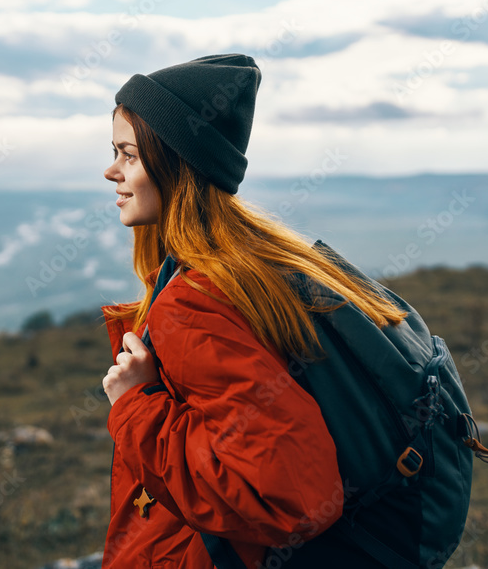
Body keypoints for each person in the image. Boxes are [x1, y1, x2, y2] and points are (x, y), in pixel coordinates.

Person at [99, 54, 408, 568]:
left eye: (128, 154)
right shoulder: (265, 263)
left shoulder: (193, 303)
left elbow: (289, 495)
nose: (111, 171)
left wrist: (137, 404)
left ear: (177, 161)